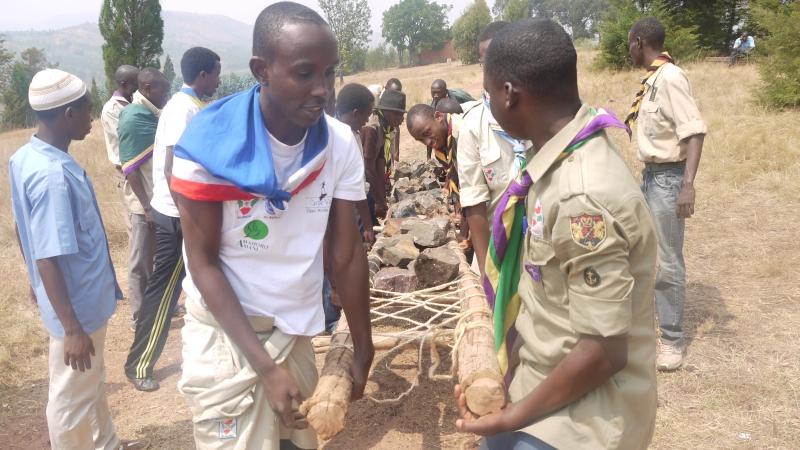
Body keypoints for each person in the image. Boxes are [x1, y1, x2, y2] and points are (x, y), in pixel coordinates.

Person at [171, 3, 374, 449]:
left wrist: (363, 345)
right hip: (227, 338)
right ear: (261, 70)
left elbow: (345, 255)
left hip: (294, 331)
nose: (322, 90)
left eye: (329, 73)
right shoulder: (208, 149)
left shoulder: (338, 144)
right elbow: (202, 264)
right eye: (305, 73)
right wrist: (265, 368)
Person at [455, 19, 658, 450]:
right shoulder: (551, 164)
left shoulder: (582, 196)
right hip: (538, 383)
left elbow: (603, 352)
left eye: (488, 94)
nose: (488, 104)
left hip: (581, 420)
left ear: (509, 94)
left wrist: (512, 418)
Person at [9, 69, 146, 450]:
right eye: (87, 110)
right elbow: (47, 255)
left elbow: (24, 228)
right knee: (70, 399)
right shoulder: (52, 176)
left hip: (76, 301)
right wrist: (71, 328)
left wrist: (34, 281)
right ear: (68, 115)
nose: (92, 118)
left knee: (91, 381)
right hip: (77, 308)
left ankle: (107, 444)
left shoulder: (26, 156)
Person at [124, 47, 221, 392]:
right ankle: (139, 364)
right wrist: (187, 217)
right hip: (179, 216)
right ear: (203, 75)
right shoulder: (183, 109)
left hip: (184, 213)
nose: (219, 80)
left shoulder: (190, 105)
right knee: (164, 292)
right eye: (216, 74)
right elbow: (171, 167)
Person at [627, 17, 707, 371]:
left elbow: (695, 132)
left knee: (668, 260)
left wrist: (687, 185)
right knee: (641, 251)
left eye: (629, 44)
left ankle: (672, 341)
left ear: (639, 42)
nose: (628, 50)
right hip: (650, 177)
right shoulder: (654, 80)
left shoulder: (671, 77)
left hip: (668, 180)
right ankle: (646, 326)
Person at [457, 20, 531, 277]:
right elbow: (474, 204)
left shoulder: (540, 111)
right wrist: (489, 275)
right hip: (497, 251)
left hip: (542, 251)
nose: (492, 70)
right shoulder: (473, 125)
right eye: (485, 62)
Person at [116, 68, 170, 342]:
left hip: (155, 201)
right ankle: (139, 318)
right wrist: (147, 207)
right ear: (147, 89)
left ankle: (155, 309)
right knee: (140, 262)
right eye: (163, 90)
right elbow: (130, 168)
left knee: (155, 260)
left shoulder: (150, 114)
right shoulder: (133, 117)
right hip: (143, 204)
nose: (166, 95)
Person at [100, 64, 140, 323]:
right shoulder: (112, 110)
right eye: (136, 82)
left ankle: (158, 303)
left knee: (152, 245)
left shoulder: (134, 103)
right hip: (129, 177)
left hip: (143, 176)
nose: (140, 86)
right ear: (125, 84)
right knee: (138, 243)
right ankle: (140, 312)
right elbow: (129, 143)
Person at [406, 103, 473, 246]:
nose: (428, 142)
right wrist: (459, 213)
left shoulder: (464, 134)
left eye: (427, 133)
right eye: (421, 140)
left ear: (438, 116)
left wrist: (463, 232)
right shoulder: (443, 147)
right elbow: (456, 177)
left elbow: (472, 190)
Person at [361, 89, 406, 221]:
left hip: (369, 185)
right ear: (387, 113)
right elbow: (368, 168)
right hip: (360, 188)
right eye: (399, 115)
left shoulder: (384, 129)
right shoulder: (371, 128)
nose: (402, 120)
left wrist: (382, 199)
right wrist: (378, 200)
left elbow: (379, 166)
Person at [101, 65, 139, 171]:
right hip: (126, 168)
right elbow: (127, 137)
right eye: (135, 84)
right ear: (124, 84)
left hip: (140, 163)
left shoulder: (136, 102)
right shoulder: (111, 109)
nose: (138, 87)